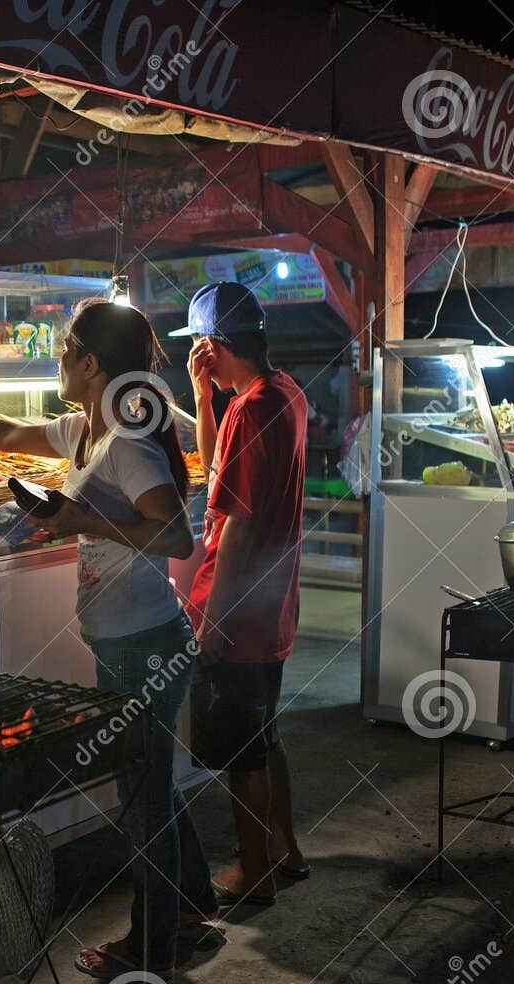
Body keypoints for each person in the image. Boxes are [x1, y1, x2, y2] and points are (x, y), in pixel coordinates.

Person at [0, 298, 215, 978]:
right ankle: (193, 902)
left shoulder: (128, 446)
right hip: (127, 639)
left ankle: (153, 946)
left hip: (147, 645)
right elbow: (15, 430)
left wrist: (85, 519)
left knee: (140, 797)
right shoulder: (86, 428)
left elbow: (176, 535)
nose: (56, 361)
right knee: (151, 783)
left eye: (63, 352)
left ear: (90, 364)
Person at [184, 281, 309, 908]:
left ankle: (253, 873)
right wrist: (205, 398)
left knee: (241, 754)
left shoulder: (251, 409)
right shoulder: (284, 394)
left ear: (213, 343)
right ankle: (286, 849)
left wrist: (215, 621)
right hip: (275, 604)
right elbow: (218, 474)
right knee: (264, 735)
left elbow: (232, 519)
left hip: (240, 609)